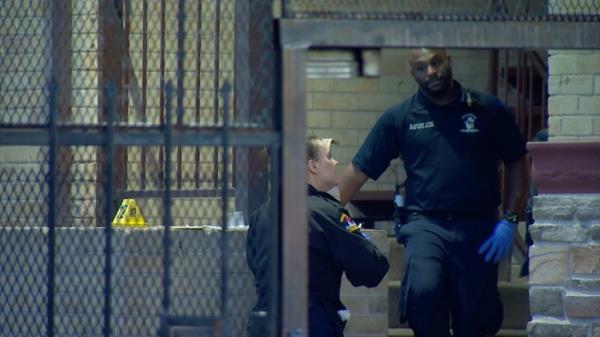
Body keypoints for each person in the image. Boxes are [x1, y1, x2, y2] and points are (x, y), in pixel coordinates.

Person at [338, 48, 528, 337]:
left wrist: (511, 219)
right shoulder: (400, 118)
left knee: (476, 316)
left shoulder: (487, 109)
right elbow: (358, 170)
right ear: (412, 74)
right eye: (421, 68)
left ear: (449, 60)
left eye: (435, 62)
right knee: (423, 292)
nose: (431, 72)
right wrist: (322, 208)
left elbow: (517, 162)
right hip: (425, 225)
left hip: (479, 227)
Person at [246, 136, 390, 337]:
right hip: (310, 322)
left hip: (263, 322)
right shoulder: (326, 212)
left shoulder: (259, 216)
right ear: (313, 166)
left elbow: (254, 264)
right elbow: (373, 267)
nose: (335, 162)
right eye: (329, 157)